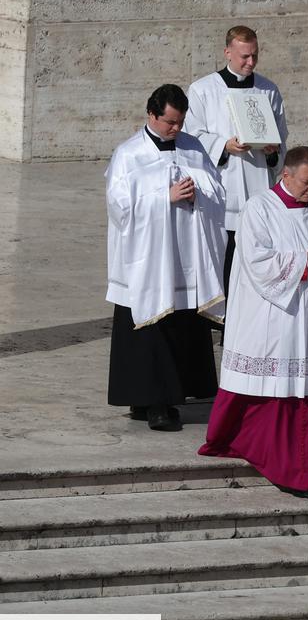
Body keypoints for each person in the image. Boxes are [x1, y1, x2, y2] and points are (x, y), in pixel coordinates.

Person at [198, 146, 308, 505]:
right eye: (306, 182)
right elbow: (256, 261)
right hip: (274, 317)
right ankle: (289, 468)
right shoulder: (259, 209)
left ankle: (305, 468)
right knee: (277, 389)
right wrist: (305, 259)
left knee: (306, 390)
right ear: (285, 175)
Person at [105, 84, 228, 431]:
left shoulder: (192, 147)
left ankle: (173, 396)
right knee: (149, 333)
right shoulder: (129, 154)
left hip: (185, 258)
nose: (176, 129)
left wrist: (196, 192)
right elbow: (119, 207)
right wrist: (165, 196)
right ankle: (151, 402)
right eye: (170, 122)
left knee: (182, 327)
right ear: (152, 115)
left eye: (180, 122)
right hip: (147, 261)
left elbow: (217, 191)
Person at [186, 25, 288, 323]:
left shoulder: (268, 90)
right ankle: (219, 318)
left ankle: (251, 318)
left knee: (254, 254)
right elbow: (192, 138)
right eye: (244, 56)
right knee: (223, 256)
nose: (250, 63)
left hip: (258, 184)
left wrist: (272, 151)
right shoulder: (203, 89)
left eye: (255, 56)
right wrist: (224, 145)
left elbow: (281, 137)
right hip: (223, 186)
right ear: (227, 52)